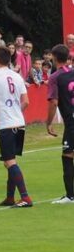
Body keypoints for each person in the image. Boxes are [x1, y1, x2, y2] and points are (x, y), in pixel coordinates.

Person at [0, 46, 32, 208]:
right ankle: (10, 197)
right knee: (10, 160)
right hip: (19, 123)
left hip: (6, 125)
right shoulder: (17, 77)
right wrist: (15, 112)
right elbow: (26, 101)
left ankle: (25, 197)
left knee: (9, 161)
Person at [46, 44, 74, 204]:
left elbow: (54, 102)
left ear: (54, 57)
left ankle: (70, 196)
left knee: (67, 155)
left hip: (71, 122)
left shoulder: (55, 77)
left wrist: (48, 123)